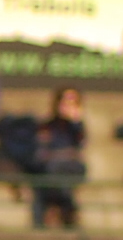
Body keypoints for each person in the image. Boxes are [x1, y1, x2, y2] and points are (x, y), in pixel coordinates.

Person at [31, 85, 84, 229]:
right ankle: (67, 209)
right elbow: (42, 152)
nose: (67, 107)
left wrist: (75, 123)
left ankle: (57, 210)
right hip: (52, 169)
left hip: (71, 168)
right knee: (49, 174)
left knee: (59, 171)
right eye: (64, 102)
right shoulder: (47, 126)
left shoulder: (77, 128)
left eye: (72, 103)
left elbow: (79, 148)